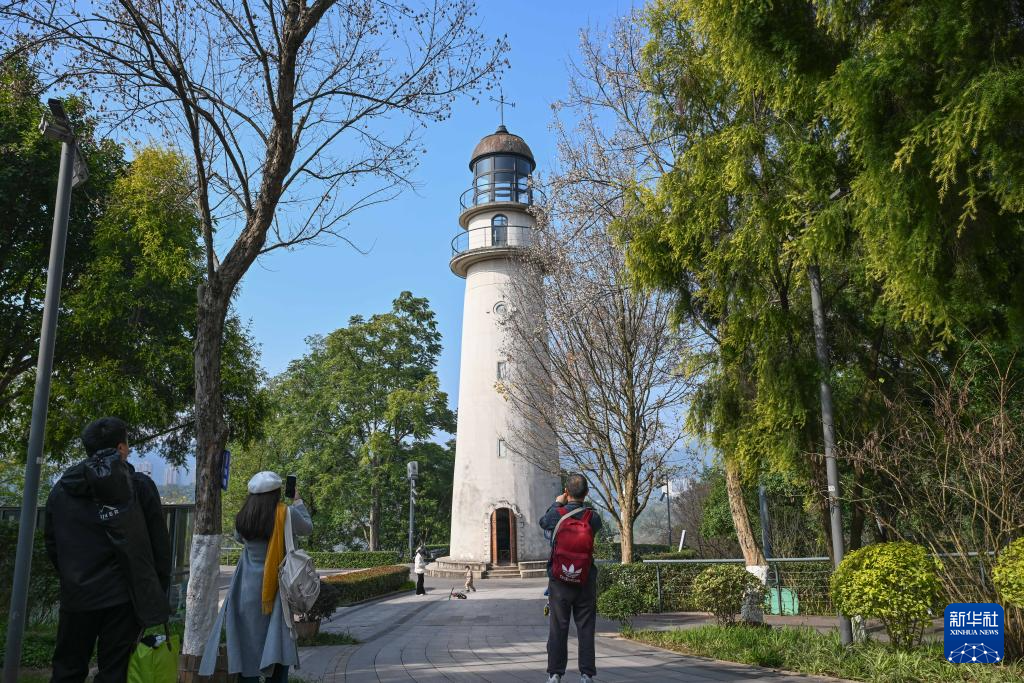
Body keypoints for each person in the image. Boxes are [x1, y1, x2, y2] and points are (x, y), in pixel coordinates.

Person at [44, 417, 171, 683]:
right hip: (123, 598)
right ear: (120, 448)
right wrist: (156, 590)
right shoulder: (139, 486)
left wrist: (72, 575)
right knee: (114, 672)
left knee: (67, 669)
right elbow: (159, 547)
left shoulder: (62, 490)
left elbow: (52, 543)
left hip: (77, 595)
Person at [199, 471, 312, 682]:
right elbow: (307, 528)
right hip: (276, 591)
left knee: (247, 646)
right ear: (277, 492)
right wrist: (297, 500)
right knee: (278, 644)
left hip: (246, 590)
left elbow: (239, 538)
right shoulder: (285, 513)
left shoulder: (243, 516)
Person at [539, 473, 602, 683]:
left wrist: (557, 503)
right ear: (587, 493)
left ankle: (555, 674)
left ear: (566, 492)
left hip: (560, 580)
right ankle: (586, 675)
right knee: (586, 628)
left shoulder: (556, 514)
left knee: (558, 627)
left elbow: (543, 522)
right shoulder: (593, 517)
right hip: (585, 579)